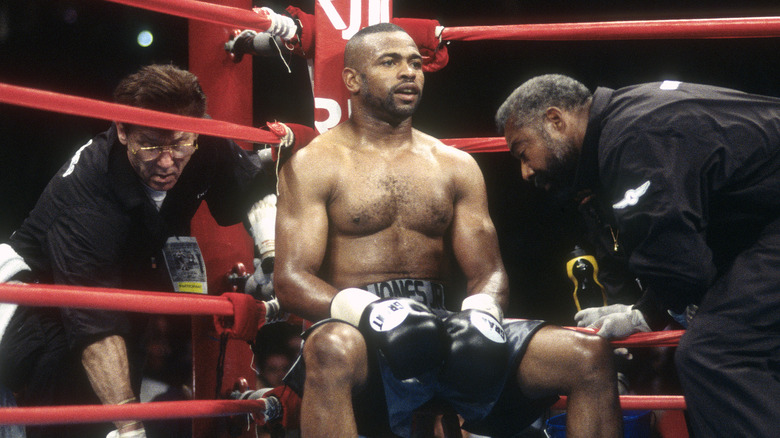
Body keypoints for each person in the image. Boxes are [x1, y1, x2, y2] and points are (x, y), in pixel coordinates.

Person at [274, 24, 622, 438]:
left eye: (415, 63)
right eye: (390, 62)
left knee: (587, 354)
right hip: (358, 332)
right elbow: (291, 280)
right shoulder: (315, 164)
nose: (409, 73)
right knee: (330, 347)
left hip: (443, 326)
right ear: (352, 80)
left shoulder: (454, 165)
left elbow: (488, 272)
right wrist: (369, 312)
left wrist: (481, 314)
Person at [495, 73, 780, 437]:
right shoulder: (628, 116)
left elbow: (683, 268)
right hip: (765, 222)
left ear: (555, 120)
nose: (525, 171)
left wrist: (645, 313)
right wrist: (648, 308)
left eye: (523, 151)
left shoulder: (631, 140)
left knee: (714, 353)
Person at [0, 64, 275, 438]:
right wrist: (131, 429)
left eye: (179, 144)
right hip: (31, 306)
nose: (166, 161)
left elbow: (252, 189)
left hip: (119, 293)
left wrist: (272, 254)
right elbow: (94, 329)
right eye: (151, 145)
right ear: (123, 130)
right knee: (72, 412)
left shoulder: (200, 137)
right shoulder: (85, 202)